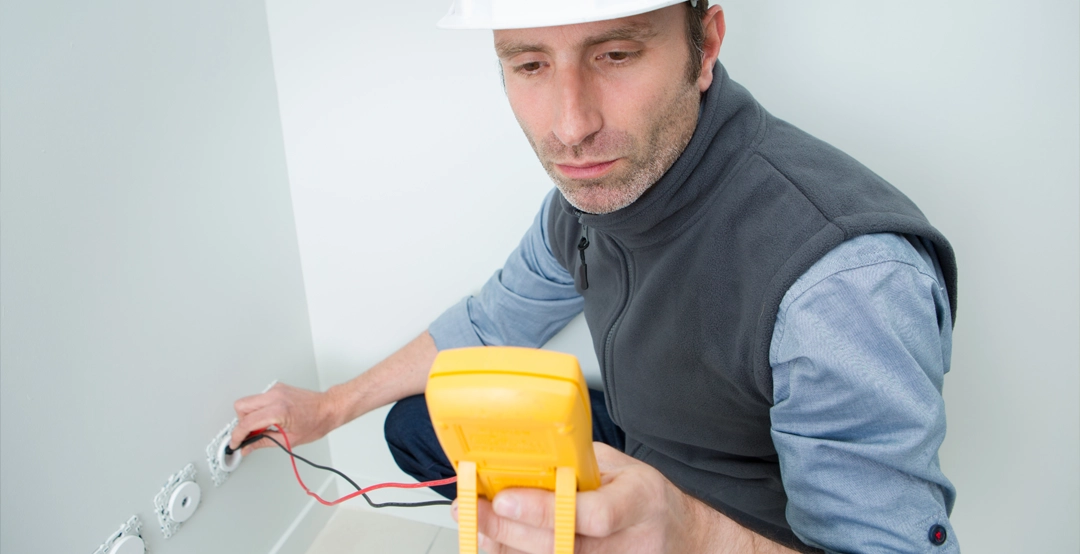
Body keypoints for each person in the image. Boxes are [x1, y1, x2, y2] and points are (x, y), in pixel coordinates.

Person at [229, 1, 960, 552]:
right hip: (645, 439)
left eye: (614, 54)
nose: (570, 126)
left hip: (746, 524)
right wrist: (328, 408)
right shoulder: (592, 199)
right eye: (530, 64)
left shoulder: (843, 282)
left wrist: (689, 532)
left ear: (702, 47)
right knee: (419, 427)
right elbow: (490, 323)